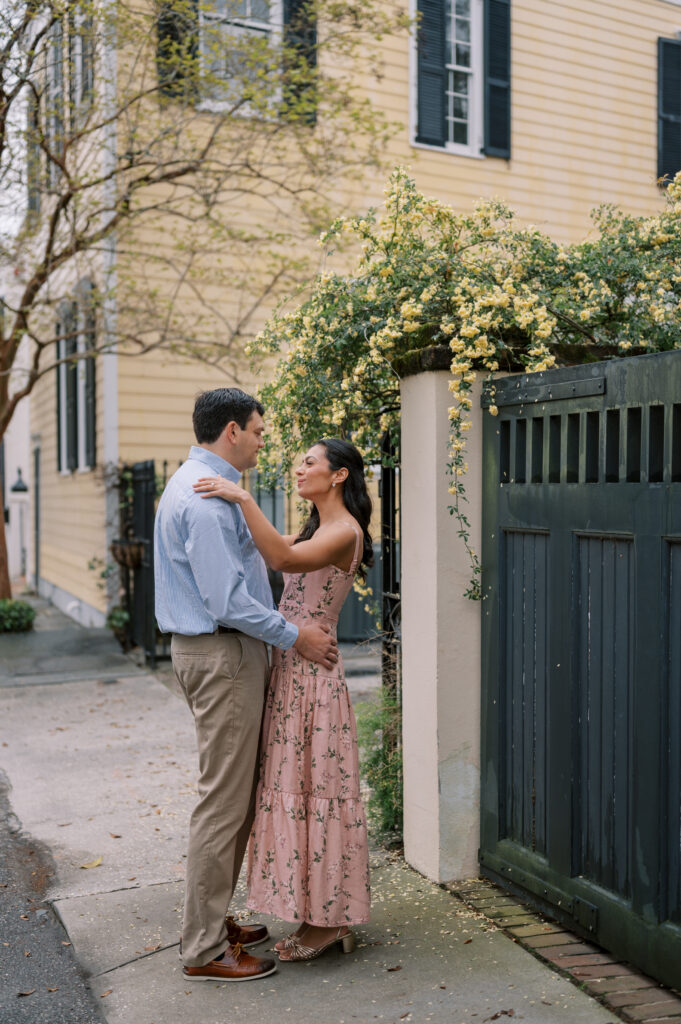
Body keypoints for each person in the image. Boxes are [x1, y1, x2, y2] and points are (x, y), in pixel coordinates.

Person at [154, 388, 339, 983]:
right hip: (223, 653)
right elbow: (227, 600)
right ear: (232, 430)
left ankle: (209, 924)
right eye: (259, 431)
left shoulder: (194, 481)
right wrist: (295, 637)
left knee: (230, 800)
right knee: (224, 803)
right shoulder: (206, 500)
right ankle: (204, 948)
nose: (265, 440)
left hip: (217, 653)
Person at [192, 437, 372, 962]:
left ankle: (328, 923)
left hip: (314, 680)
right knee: (295, 789)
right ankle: (313, 913)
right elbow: (262, 550)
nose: (299, 467)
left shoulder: (343, 532)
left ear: (339, 475)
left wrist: (242, 497)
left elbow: (283, 556)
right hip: (292, 673)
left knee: (318, 794)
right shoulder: (321, 526)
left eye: (310, 461)